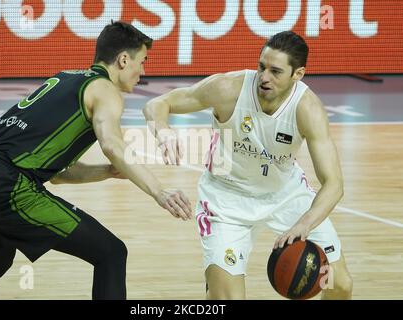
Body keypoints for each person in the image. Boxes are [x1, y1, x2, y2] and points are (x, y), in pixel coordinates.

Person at [0, 21, 192, 300]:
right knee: (111, 253)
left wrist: (106, 172)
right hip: (6, 185)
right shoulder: (105, 90)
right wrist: (159, 191)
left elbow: (57, 173)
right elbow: (113, 145)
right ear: (123, 59)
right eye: (143, 61)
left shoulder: (66, 78)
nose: (144, 71)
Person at [143, 31, 353, 299]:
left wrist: (305, 224)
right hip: (226, 200)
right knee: (226, 299)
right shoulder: (227, 89)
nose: (264, 77)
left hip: (286, 196)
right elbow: (157, 103)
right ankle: (217, 280)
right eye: (261, 67)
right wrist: (162, 130)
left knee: (339, 284)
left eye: (276, 71)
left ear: (298, 74)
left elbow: (334, 184)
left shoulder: (307, 109)